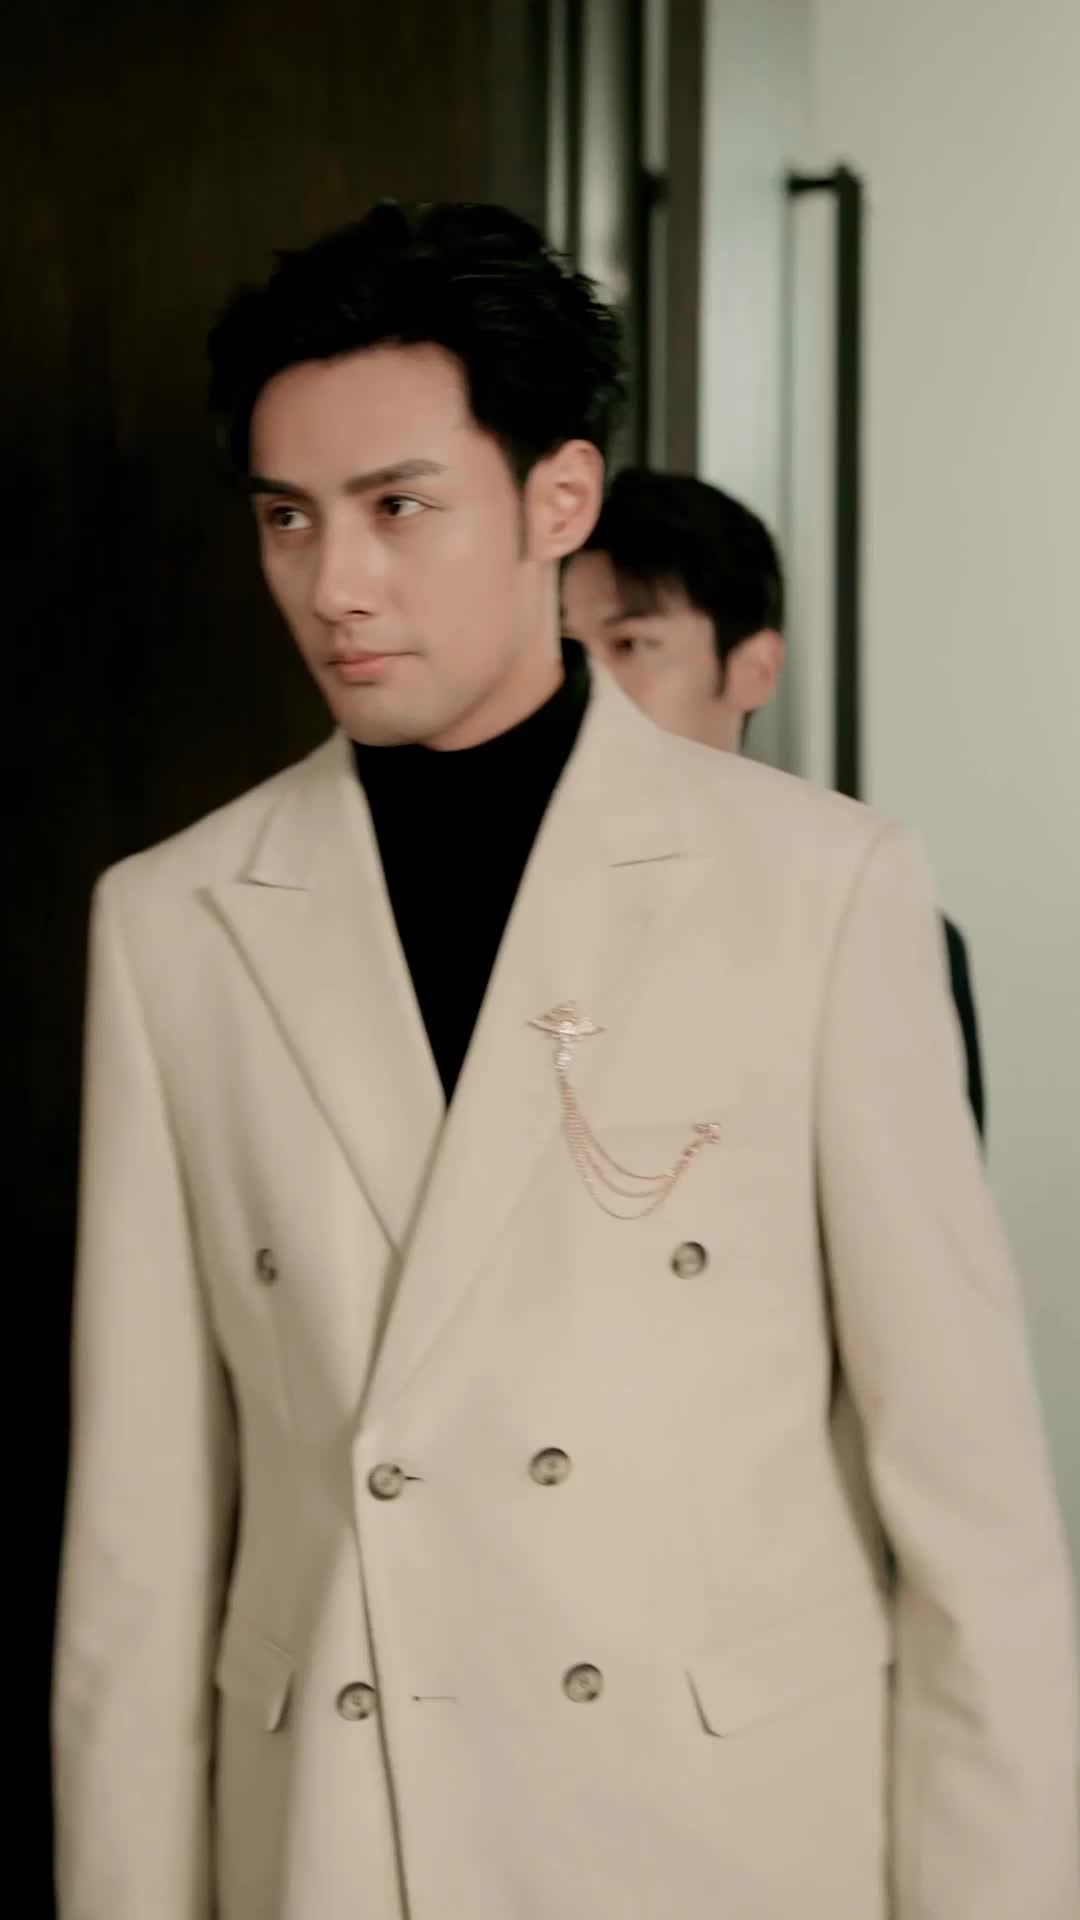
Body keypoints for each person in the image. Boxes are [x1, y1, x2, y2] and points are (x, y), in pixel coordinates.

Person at [52, 202, 1077, 1920]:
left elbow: (975, 1525)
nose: (333, 582)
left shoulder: (821, 889)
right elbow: (138, 1561)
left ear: (560, 501)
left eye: (397, 507)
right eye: (288, 517)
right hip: (341, 1846)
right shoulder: (173, 924)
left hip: (720, 1847)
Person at [563, 468, 987, 1132]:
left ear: (754, 669)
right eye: (565, 648)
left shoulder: (857, 927)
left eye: (631, 645)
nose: (588, 684)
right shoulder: (498, 892)